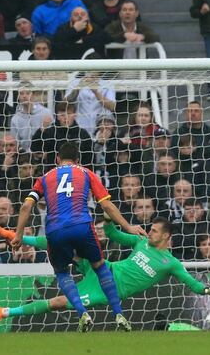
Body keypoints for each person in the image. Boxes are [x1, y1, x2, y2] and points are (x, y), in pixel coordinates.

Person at [12, 142, 147, 332]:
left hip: (55, 230)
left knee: (61, 272)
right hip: (82, 227)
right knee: (100, 266)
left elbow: (26, 207)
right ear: (78, 160)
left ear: (57, 160)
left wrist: (18, 234)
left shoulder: (44, 178)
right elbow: (107, 206)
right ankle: (119, 314)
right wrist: (128, 227)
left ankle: (82, 312)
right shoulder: (86, 173)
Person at [0, 217, 210, 324]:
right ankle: (17, 236)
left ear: (166, 236)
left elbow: (191, 282)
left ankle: (4, 312)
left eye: (155, 231)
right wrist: (108, 218)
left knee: (57, 303)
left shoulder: (171, 263)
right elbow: (113, 234)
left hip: (106, 290)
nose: (150, 232)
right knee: (62, 240)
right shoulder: (141, 241)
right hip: (103, 269)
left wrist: (206, 289)